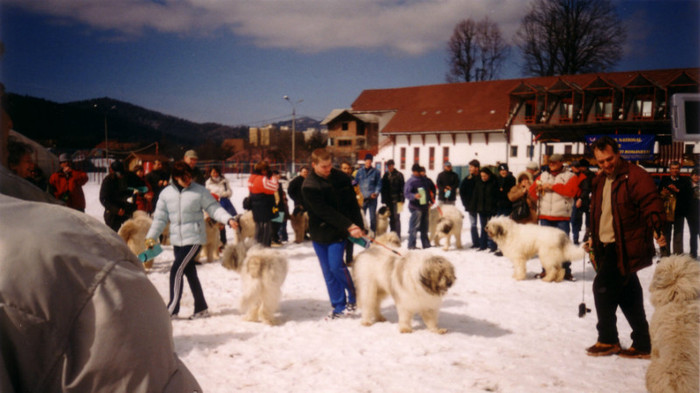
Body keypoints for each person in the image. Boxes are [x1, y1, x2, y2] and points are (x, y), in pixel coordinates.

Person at [0, 164, 202, 392]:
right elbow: (107, 198)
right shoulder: (95, 255)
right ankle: (175, 303)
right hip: (113, 219)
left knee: (182, 268)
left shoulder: (174, 188)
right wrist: (121, 209)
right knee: (174, 266)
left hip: (176, 231)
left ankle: (189, 301)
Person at [585, 136, 666, 359]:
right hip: (605, 244)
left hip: (626, 245)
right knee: (627, 292)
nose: (606, 165)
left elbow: (652, 203)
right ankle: (643, 343)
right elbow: (596, 211)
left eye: (609, 159)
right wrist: (591, 235)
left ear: (618, 153)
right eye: (601, 161)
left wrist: (658, 228)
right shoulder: (600, 179)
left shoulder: (636, 176)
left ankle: (608, 339)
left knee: (602, 287)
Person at [146, 161, 238, 319]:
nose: (188, 180)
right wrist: (151, 236)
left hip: (194, 238)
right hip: (177, 239)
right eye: (184, 178)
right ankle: (201, 307)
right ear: (175, 177)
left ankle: (172, 309)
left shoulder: (199, 191)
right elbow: (160, 218)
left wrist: (228, 219)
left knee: (176, 270)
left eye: (190, 177)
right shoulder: (166, 194)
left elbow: (213, 208)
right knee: (190, 273)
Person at [302, 148, 365, 320]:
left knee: (337, 266)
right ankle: (338, 306)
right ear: (314, 165)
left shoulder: (342, 178)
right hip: (319, 232)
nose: (328, 169)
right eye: (323, 167)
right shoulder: (309, 185)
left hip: (339, 231)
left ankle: (353, 296)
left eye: (329, 165)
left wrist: (358, 225)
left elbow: (352, 203)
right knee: (328, 272)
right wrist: (350, 225)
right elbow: (324, 211)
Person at [528, 153, 580, 280]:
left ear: (562, 162)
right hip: (545, 217)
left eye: (555, 162)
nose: (552, 164)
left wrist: (552, 187)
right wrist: (537, 190)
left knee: (563, 246)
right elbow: (532, 192)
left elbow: (571, 191)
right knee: (545, 246)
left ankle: (566, 271)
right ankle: (546, 270)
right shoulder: (543, 175)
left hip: (562, 217)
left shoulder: (570, 176)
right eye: (550, 162)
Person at [658, 160, 693, 255]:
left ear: (680, 169)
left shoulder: (685, 181)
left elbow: (689, 196)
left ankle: (678, 256)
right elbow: (658, 195)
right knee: (666, 235)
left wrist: (677, 190)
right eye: (673, 168)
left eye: (677, 168)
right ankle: (665, 256)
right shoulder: (664, 181)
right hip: (667, 212)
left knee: (678, 235)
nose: (675, 170)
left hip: (679, 212)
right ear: (670, 169)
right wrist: (663, 193)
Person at [247, 160, 279, 247]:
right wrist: (274, 178)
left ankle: (257, 247)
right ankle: (264, 248)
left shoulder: (251, 178)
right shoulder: (261, 179)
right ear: (263, 170)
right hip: (264, 207)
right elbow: (274, 187)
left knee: (258, 229)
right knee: (265, 230)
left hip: (256, 206)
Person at [99, 160, 136, 232]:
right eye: (119, 173)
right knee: (114, 236)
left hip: (126, 211)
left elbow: (130, 193)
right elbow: (103, 199)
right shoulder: (108, 181)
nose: (121, 175)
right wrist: (116, 210)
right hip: (113, 213)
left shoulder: (126, 178)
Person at [206, 165, 237, 248]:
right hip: (213, 204)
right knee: (213, 224)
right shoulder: (208, 182)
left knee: (222, 224)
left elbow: (230, 191)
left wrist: (223, 194)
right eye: (213, 172)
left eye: (216, 172)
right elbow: (206, 194)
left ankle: (223, 242)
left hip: (223, 202)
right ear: (210, 173)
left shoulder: (224, 181)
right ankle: (215, 242)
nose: (215, 174)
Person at [404, 163, 432, 249]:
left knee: (425, 227)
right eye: (416, 171)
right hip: (415, 207)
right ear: (413, 172)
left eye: (419, 171)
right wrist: (414, 196)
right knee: (414, 226)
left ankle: (426, 244)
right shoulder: (410, 181)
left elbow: (428, 191)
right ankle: (411, 245)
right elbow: (406, 193)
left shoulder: (424, 180)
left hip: (424, 206)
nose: (418, 173)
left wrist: (429, 200)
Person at [470, 167, 497, 251]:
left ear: (488, 175)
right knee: (483, 227)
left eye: (485, 176)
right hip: (481, 209)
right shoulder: (479, 183)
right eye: (482, 176)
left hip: (491, 209)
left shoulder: (493, 183)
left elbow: (496, 197)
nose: (483, 178)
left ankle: (493, 245)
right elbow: (475, 196)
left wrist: (495, 207)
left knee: (492, 227)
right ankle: (483, 245)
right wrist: (473, 207)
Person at [354, 153, 382, 232]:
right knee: (362, 217)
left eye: (370, 161)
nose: (368, 163)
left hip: (372, 199)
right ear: (365, 161)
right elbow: (355, 182)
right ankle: (363, 233)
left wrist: (376, 193)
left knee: (372, 218)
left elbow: (379, 184)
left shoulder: (376, 172)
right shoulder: (359, 172)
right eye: (367, 161)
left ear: (371, 162)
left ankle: (373, 234)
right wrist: (355, 191)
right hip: (362, 199)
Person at [571, 159, 594, 245]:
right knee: (587, 219)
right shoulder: (591, 174)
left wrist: (580, 198)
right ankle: (586, 235)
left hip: (582, 199)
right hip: (587, 199)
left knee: (577, 219)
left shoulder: (583, 176)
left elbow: (586, 188)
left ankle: (580, 236)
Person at [380, 159, 405, 237]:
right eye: (388, 166)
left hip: (398, 200)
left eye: (391, 165)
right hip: (389, 200)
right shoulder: (385, 175)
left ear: (393, 165)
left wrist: (402, 199)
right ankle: (392, 233)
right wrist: (383, 199)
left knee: (397, 218)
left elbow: (403, 187)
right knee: (391, 217)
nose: (390, 167)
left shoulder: (399, 175)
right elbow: (383, 188)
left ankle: (397, 235)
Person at [460, 159, 481, 248]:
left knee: (485, 224)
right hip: (471, 206)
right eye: (469, 167)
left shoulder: (482, 177)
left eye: (471, 167)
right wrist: (466, 204)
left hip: (482, 206)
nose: (469, 169)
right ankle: (475, 242)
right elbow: (462, 192)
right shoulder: (467, 179)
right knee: (473, 224)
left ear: (477, 168)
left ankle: (485, 242)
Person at [689, 168, 700, 259]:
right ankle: (693, 253)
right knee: (693, 234)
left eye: (698, 175)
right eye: (695, 175)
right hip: (692, 214)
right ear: (691, 176)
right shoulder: (688, 185)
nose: (697, 177)